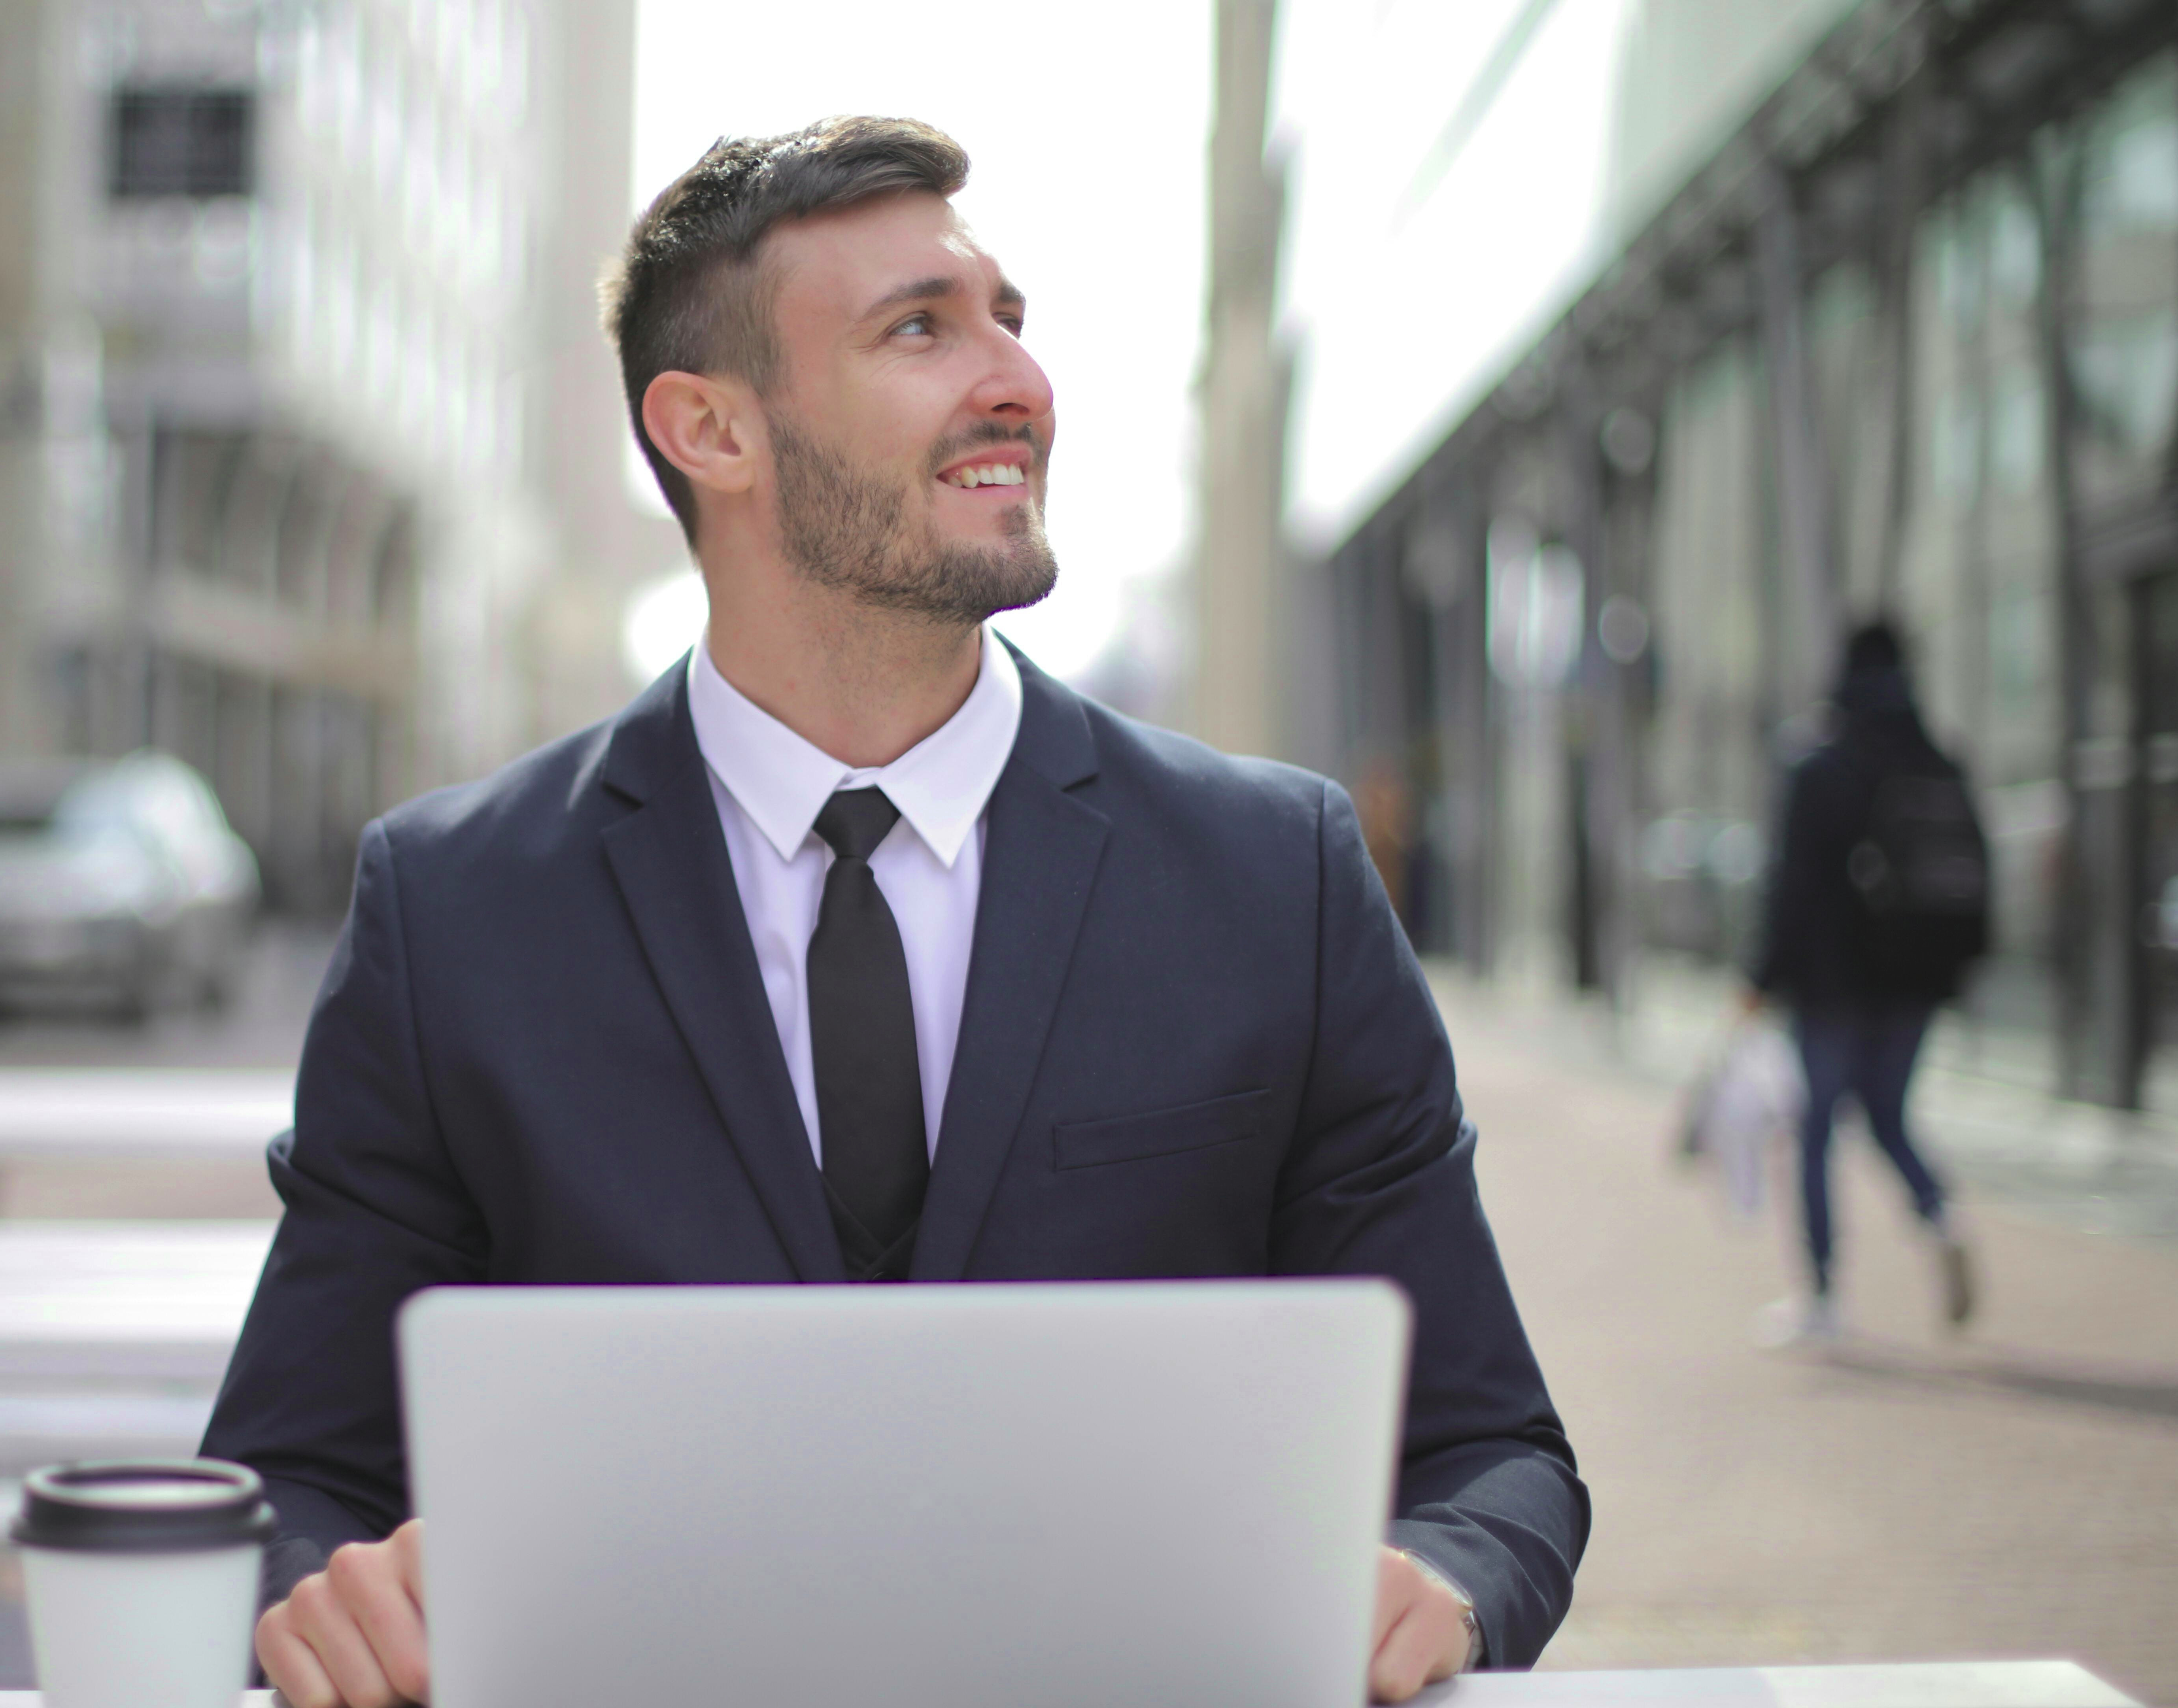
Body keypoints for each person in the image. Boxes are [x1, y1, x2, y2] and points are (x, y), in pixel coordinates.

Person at [199, 118, 1586, 1708]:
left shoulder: (1278, 882)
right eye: (921, 328)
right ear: (709, 429)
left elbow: (1494, 1454)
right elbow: (289, 1479)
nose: (1017, 381)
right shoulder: (454, 918)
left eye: (1011, 319)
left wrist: (1446, 1588)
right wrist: (330, 1594)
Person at [1746, 620, 1989, 1346]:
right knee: (1887, 1114)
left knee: (1818, 1129)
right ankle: (1939, 1213)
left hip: (1831, 986)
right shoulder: (1936, 758)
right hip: (1914, 979)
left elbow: (1790, 888)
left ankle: (1822, 1298)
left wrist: (1760, 977)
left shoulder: (1819, 761)